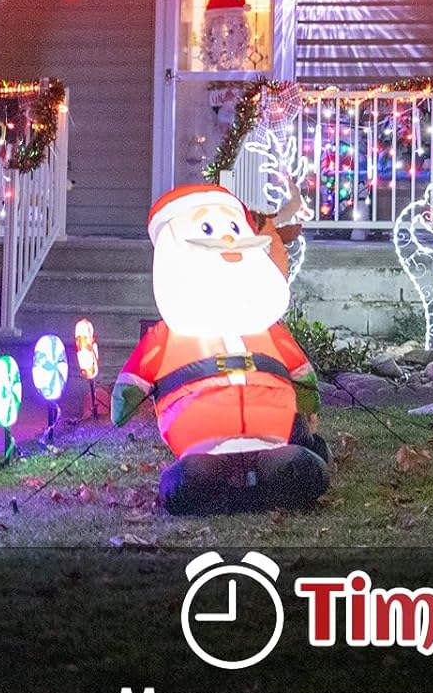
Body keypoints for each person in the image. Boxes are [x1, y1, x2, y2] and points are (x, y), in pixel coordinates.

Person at [111, 183, 328, 515]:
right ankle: (240, 488)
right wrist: (124, 402)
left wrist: (308, 410)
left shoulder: (269, 329)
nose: (228, 240)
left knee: (304, 471)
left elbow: (303, 377)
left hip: (271, 441)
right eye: (208, 229)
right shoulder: (167, 336)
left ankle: (255, 482)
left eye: (234, 229)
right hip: (204, 448)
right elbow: (131, 385)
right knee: (190, 481)